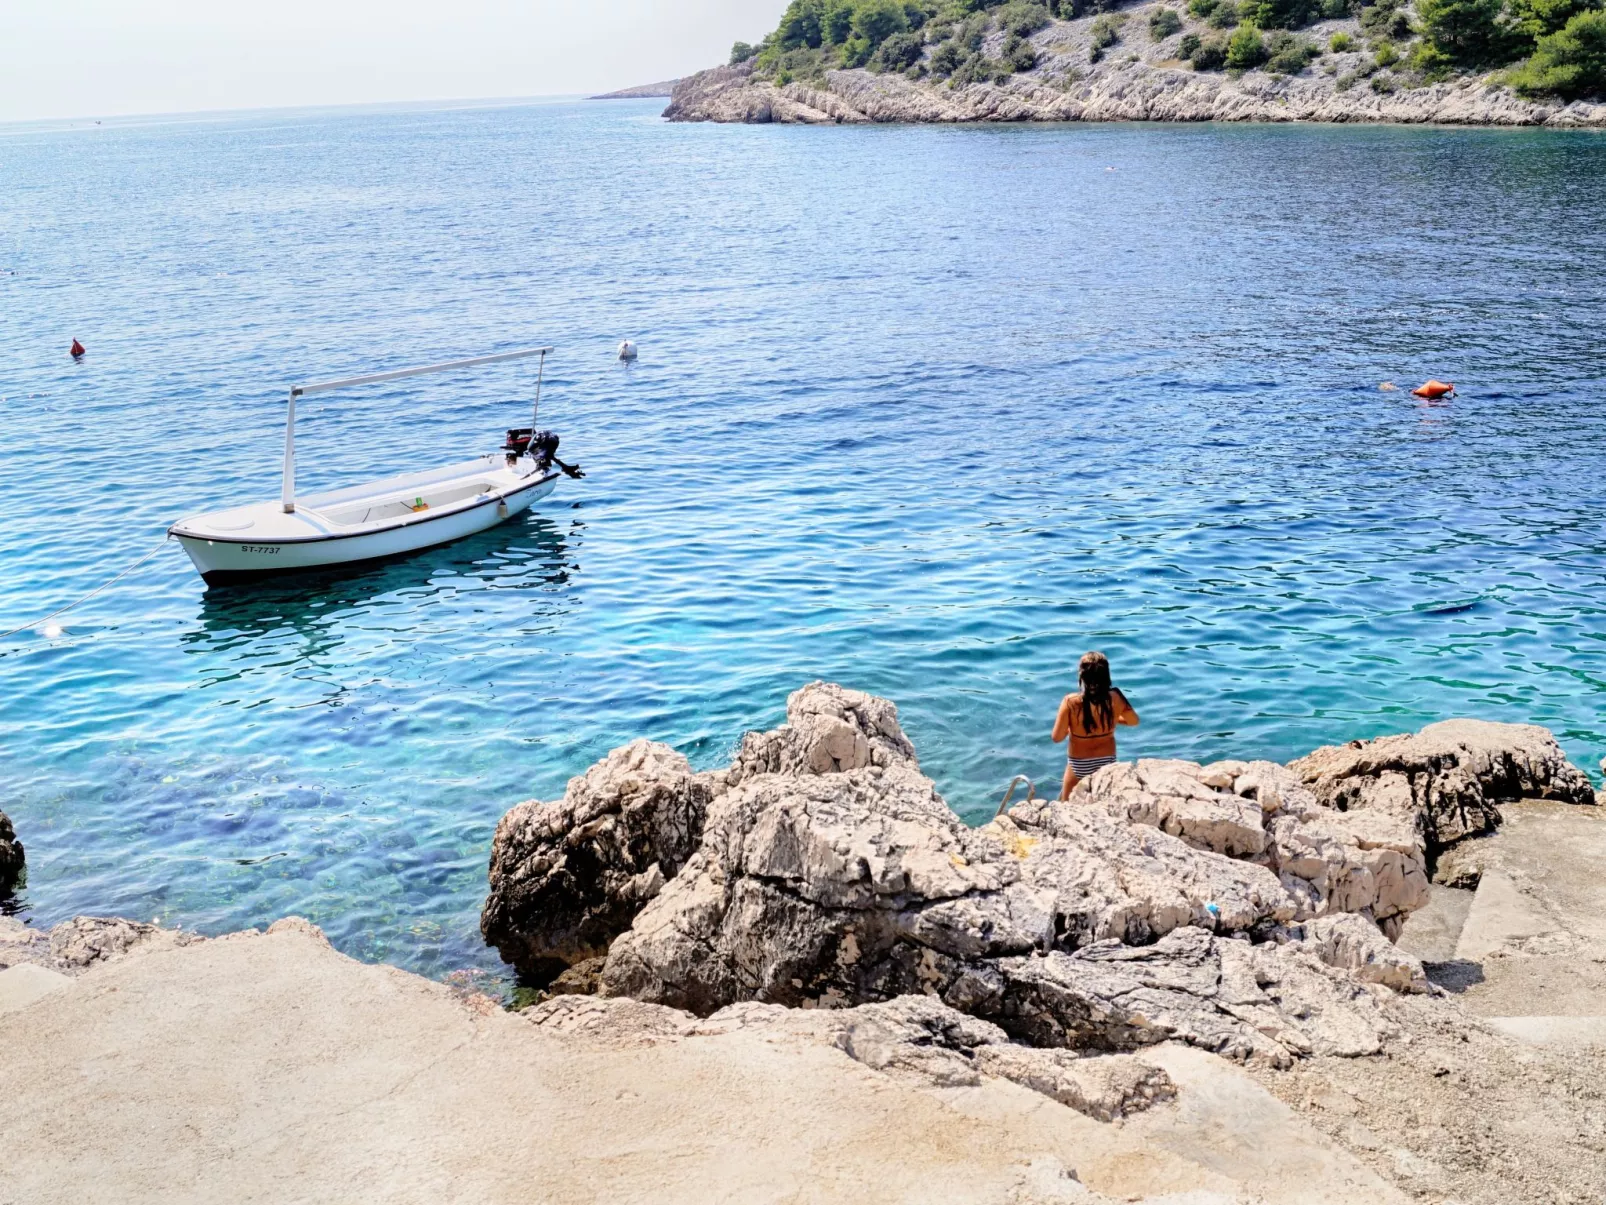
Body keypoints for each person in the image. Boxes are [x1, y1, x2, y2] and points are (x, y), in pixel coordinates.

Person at [1052, 651, 1139, 800]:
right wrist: (1112, 719)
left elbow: (1057, 737)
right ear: (1106, 675)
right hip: (1107, 762)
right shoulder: (1116, 697)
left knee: (1066, 807)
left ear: (1082, 676)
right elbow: (1133, 721)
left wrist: (1071, 727)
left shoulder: (1070, 702)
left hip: (1079, 764)